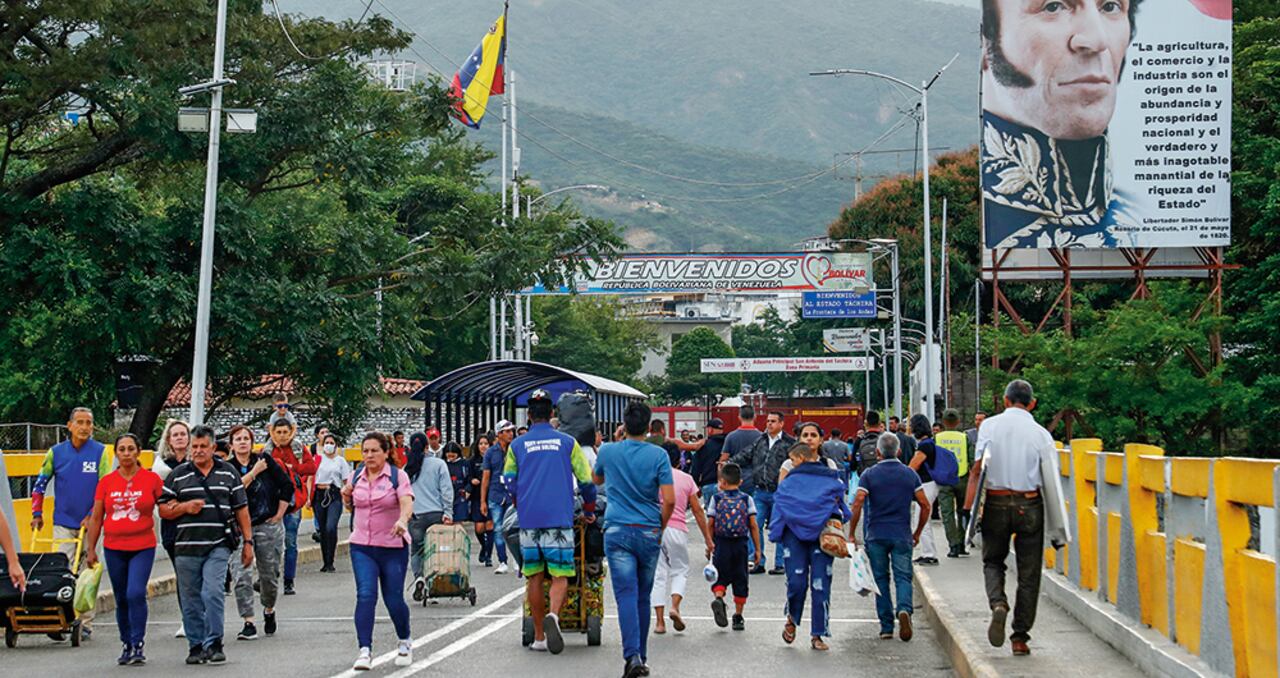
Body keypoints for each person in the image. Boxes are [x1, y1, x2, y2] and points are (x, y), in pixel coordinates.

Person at [981, 0, 1145, 248]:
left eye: (1110, 6)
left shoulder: (1149, 223)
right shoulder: (988, 224)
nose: (1097, 39)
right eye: (1053, 6)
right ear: (985, 42)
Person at [965, 380, 1056, 657]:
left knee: (993, 561)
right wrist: (1059, 528)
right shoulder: (1042, 435)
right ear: (1032, 404)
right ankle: (1019, 638)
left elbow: (978, 468)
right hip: (1030, 504)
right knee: (1029, 573)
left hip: (996, 501)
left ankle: (998, 604)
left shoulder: (989, 427)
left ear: (1005, 401)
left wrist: (969, 509)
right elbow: (1051, 480)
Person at [505, 390, 597, 654]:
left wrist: (518, 501)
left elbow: (509, 480)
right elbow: (586, 481)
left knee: (534, 577)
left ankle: (538, 637)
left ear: (529, 415)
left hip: (529, 520)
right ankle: (554, 615)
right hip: (559, 518)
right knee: (560, 575)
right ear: (552, 413)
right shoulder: (568, 443)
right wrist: (589, 509)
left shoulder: (517, 445)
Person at [158, 425, 253, 665]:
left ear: (213, 447)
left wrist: (248, 542)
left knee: (212, 592)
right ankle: (196, 644)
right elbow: (163, 509)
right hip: (186, 546)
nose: (198, 451)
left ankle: (215, 642)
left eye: (203, 446)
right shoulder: (178, 475)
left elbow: (241, 509)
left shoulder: (228, 473)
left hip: (218, 545)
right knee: (190, 598)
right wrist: (184, 507)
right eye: (195, 446)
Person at [593, 401, 673, 678]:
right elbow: (670, 500)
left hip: (617, 529)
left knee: (625, 593)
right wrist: (660, 527)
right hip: (648, 529)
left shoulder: (608, 451)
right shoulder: (659, 455)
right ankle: (642, 655)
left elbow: (595, 479)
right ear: (649, 427)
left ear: (624, 425)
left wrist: (616, 442)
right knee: (643, 596)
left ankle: (632, 655)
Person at [29, 406, 112, 639]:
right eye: (80, 422)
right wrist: (37, 513)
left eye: (89, 423)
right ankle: (60, 618)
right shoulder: (56, 453)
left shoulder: (100, 453)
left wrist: (92, 514)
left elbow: (105, 488)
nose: (85, 427)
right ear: (70, 425)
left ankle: (85, 623)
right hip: (63, 521)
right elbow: (40, 484)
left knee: (88, 573)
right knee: (61, 569)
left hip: (92, 523)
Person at [83, 433, 164, 665]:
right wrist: (91, 549)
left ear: (138, 451)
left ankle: (138, 642)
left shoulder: (151, 479)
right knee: (121, 597)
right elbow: (97, 518)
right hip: (114, 547)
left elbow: (166, 507)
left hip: (142, 546)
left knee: (135, 593)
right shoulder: (106, 482)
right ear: (116, 453)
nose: (126, 454)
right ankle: (126, 642)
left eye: (131, 449)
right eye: (122, 449)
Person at [342, 432, 415, 670]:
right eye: (365, 451)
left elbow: (407, 502)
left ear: (386, 452)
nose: (369, 455)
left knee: (393, 598)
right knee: (365, 594)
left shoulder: (397, 476)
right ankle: (364, 650)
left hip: (392, 546)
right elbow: (351, 505)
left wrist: (402, 520)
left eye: (374, 451)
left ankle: (404, 640)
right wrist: (346, 497)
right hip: (362, 545)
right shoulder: (356, 476)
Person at [850, 433, 931, 642]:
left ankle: (886, 627)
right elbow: (925, 505)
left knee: (880, 579)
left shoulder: (869, 474)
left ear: (877, 452)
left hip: (876, 534)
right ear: (899, 451)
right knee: (903, 577)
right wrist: (917, 532)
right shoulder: (910, 474)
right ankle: (904, 610)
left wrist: (851, 532)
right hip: (902, 534)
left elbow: (858, 502)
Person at [770, 441, 850, 651]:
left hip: (811, 534)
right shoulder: (830, 479)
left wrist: (775, 532)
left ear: (801, 458)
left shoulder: (802, 480)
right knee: (805, 582)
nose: (791, 463)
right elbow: (842, 507)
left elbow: (781, 504)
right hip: (803, 534)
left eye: (793, 460)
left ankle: (817, 633)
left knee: (812, 582)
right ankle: (794, 618)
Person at [226, 425, 292, 640]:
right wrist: (254, 473)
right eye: (238, 439)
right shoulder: (227, 468)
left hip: (266, 524)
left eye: (246, 438)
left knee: (269, 574)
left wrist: (279, 514)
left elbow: (287, 486)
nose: (242, 442)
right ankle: (248, 621)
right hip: (239, 527)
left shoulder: (265, 460)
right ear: (231, 444)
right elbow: (232, 492)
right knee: (241, 575)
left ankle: (269, 608)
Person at [652, 444, 712, 636]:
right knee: (679, 570)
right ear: (680, 461)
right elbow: (697, 510)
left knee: (658, 574)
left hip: (655, 528)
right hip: (678, 528)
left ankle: (659, 622)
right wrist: (708, 539)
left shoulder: (652, 478)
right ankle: (675, 606)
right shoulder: (686, 479)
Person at [729, 411, 793, 575]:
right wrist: (729, 463)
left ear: (781, 424)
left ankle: (780, 563)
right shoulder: (761, 440)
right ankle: (757, 560)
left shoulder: (789, 443)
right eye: (768, 421)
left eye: (773, 421)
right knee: (754, 525)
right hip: (760, 490)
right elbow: (746, 454)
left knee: (779, 527)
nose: (769, 424)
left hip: (780, 492)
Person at [705, 463, 759, 632]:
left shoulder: (716, 499)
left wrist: (709, 543)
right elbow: (753, 525)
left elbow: (711, 523)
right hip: (740, 544)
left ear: (722, 482)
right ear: (740, 481)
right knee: (740, 578)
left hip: (721, 543)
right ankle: (738, 616)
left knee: (720, 576)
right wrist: (757, 549)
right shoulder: (746, 499)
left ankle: (719, 598)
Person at [265, 417, 315, 595]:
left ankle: (289, 580)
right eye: (278, 432)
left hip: (293, 502)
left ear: (291, 432)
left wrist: (291, 468)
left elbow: (311, 468)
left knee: (290, 542)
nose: (282, 436)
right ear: (272, 433)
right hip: (273, 501)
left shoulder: (298, 448)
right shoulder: (267, 450)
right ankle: (271, 575)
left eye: (285, 432)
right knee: (270, 542)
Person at [151, 418, 190, 637]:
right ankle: (187, 619)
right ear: (168, 439)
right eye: (175, 435)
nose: (180, 438)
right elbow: (159, 500)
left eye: (183, 434)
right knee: (183, 576)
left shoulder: (198, 462)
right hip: (173, 529)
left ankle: (203, 615)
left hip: (198, 527)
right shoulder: (161, 468)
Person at [406, 432, 454, 603]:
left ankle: (419, 577)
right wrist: (448, 512)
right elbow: (446, 490)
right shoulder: (439, 464)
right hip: (436, 514)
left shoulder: (407, 468)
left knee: (416, 550)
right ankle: (434, 583)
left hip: (415, 515)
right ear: (427, 447)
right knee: (435, 550)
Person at [480, 420, 516, 573]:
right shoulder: (490, 452)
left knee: (514, 527)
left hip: (512, 493)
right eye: (507, 431)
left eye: (511, 431)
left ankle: (516, 559)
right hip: (495, 494)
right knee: (498, 528)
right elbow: (486, 477)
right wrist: (483, 500)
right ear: (499, 434)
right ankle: (502, 561)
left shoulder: (515, 449)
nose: (510, 434)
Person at [935, 409, 972, 559]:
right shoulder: (964, 437)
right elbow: (971, 459)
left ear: (943, 422)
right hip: (962, 478)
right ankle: (962, 543)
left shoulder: (937, 438)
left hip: (944, 480)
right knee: (963, 511)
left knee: (947, 513)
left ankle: (953, 546)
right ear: (958, 422)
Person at [906, 414, 941, 565]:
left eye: (911, 425)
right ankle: (927, 552)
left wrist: (901, 476)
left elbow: (913, 465)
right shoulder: (929, 443)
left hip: (927, 484)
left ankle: (930, 554)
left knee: (922, 518)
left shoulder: (924, 445)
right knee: (922, 518)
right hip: (929, 484)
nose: (909, 428)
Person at [313, 432, 351, 572]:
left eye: (331, 443)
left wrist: (348, 497)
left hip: (334, 494)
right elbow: (311, 477)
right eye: (326, 443)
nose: (328, 445)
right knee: (323, 529)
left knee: (331, 527)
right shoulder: (317, 459)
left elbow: (346, 481)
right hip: (319, 495)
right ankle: (326, 561)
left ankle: (331, 559)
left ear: (336, 445)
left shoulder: (340, 461)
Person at [468, 433, 493, 562]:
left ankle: (488, 555)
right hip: (477, 496)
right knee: (479, 528)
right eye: (481, 444)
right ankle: (484, 546)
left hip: (491, 495)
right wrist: (472, 480)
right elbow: (468, 476)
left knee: (490, 526)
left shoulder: (493, 459)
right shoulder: (472, 461)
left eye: (486, 444)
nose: (483, 446)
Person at [691, 418, 726, 510]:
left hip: (708, 483)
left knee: (711, 514)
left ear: (710, 429)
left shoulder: (704, 445)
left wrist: (696, 485)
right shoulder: (727, 443)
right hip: (725, 484)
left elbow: (696, 467)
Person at [445, 442, 473, 524]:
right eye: (448, 455)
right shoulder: (443, 464)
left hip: (460, 495)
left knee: (460, 520)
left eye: (453, 455)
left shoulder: (465, 464)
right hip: (447, 497)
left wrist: (468, 490)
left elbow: (470, 478)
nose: (451, 458)